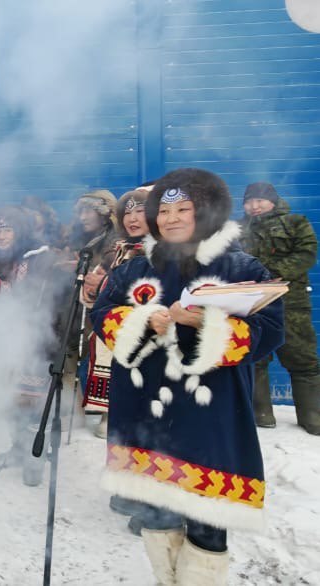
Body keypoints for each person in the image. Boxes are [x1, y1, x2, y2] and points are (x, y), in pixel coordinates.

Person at [92, 168, 283, 585]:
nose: (172, 218)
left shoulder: (241, 267)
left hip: (209, 418)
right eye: (165, 210)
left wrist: (205, 325)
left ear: (208, 213)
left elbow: (270, 331)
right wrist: (144, 319)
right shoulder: (132, 270)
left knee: (207, 518)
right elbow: (102, 314)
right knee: (156, 514)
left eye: (184, 209)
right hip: (147, 415)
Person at [0, 206, 68, 487]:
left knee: (31, 401)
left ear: (19, 231)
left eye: (8, 230)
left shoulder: (39, 258)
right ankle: (18, 448)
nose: (2, 236)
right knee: (11, 399)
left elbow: (45, 304)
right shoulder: (4, 260)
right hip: (8, 339)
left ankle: (35, 456)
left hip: (35, 341)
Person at [240, 181, 320, 435]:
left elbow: (307, 253)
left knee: (303, 360)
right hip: (253, 303)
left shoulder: (295, 223)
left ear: (273, 201)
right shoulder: (238, 228)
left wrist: (271, 273)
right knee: (256, 357)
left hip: (291, 303)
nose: (255, 206)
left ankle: (313, 418)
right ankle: (260, 416)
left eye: (260, 200)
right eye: (250, 201)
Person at [80, 188, 150, 439]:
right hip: (114, 328)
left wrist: (107, 287)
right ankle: (111, 412)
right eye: (127, 213)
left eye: (140, 212)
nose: (132, 219)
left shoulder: (162, 252)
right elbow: (96, 288)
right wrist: (91, 286)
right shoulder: (116, 250)